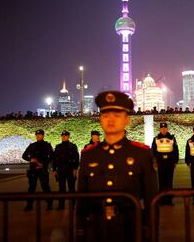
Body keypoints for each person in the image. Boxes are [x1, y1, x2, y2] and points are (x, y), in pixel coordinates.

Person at [76, 91, 158, 241]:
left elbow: (151, 197)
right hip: (97, 225)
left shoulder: (141, 153)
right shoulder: (89, 155)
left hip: (130, 224)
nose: (111, 120)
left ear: (127, 120)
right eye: (106, 116)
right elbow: (81, 197)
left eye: (117, 115)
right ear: (100, 119)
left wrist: (149, 227)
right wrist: (80, 227)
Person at [22, 129, 54, 211]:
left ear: (43, 136)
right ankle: (29, 205)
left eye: (40, 135)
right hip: (33, 169)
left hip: (42, 169)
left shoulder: (47, 145)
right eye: (37, 135)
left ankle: (49, 204)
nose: (38, 136)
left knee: (45, 187)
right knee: (31, 187)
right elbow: (24, 156)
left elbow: (51, 157)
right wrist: (31, 159)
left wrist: (43, 163)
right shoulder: (32, 145)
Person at [151, 122, 179, 205]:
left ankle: (169, 200)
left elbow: (175, 150)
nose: (163, 129)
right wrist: (154, 162)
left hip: (170, 162)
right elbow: (153, 151)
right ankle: (162, 200)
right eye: (162, 128)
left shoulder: (172, 138)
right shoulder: (156, 138)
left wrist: (175, 162)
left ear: (167, 129)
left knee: (169, 182)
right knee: (161, 182)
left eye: (165, 128)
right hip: (160, 162)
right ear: (160, 129)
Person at [53, 130, 79, 210]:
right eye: (62, 135)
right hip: (61, 170)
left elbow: (76, 158)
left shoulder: (73, 146)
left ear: (68, 137)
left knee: (71, 188)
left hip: (70, 169)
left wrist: (75, 169)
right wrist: (54, 169)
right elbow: (55, 159)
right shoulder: (58, 146)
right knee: (61, 188)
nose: (64, 137)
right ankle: (61, 205)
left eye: (65, 135)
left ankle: (73, 204)